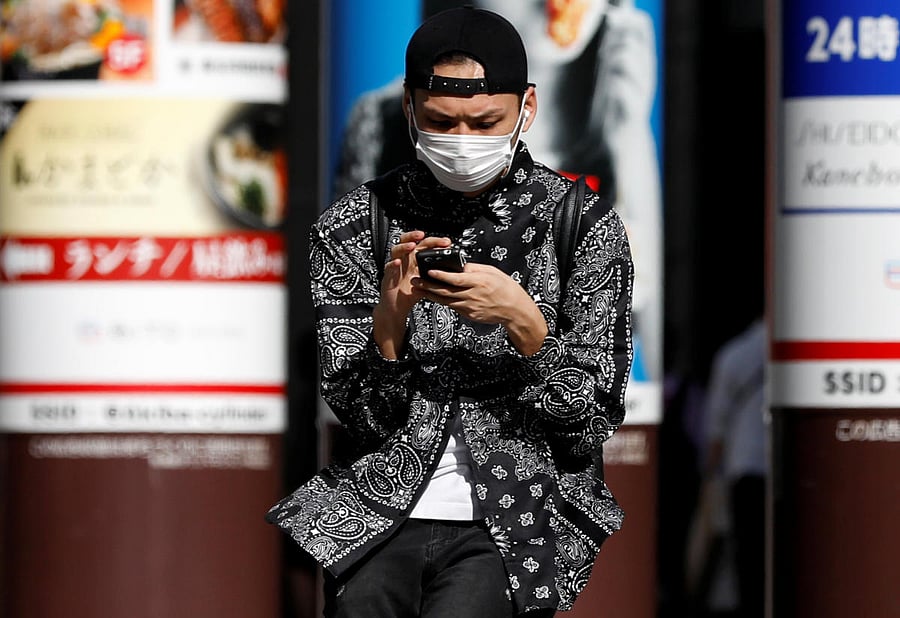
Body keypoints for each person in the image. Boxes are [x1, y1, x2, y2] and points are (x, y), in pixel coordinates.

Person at [267, 6, 634, 617]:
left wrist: (527, 324)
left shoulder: (580, 225)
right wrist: (388, 328)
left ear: (527, 108)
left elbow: (592, 422)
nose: (462, 142)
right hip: (378, 514)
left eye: (485, 122)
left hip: (518, 518)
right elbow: (360, 416)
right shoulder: (357, 226)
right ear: (409, 110)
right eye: (442, 122)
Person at [700, 317, 767, 618]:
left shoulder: (734, 355)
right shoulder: (789, 350)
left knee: (748, 554)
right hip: (786, 470)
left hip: (746, 468)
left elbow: (717, 429)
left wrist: (709, 476)